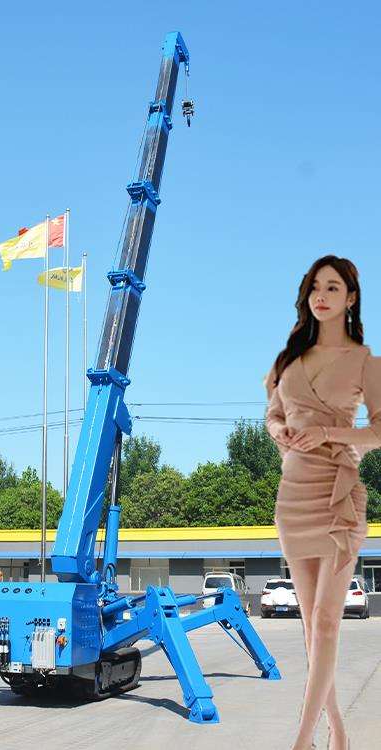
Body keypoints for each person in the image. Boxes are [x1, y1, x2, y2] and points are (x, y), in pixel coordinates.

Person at [263, 255, 381, 750]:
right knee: (312, 625)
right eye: (315, 287)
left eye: (333, 287)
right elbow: (272, 414)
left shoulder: (365, 362)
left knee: (329, 621)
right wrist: (281, 433)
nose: (322, 295)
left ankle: (303, 739)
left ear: (350, 298)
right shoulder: (288, 359)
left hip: (337, 495)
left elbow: (378, 431)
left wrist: (328, 434)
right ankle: (338, 732)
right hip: (294, 495)